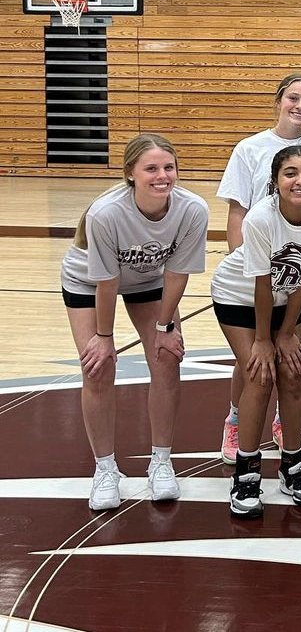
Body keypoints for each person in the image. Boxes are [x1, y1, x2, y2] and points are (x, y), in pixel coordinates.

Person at [61, 134, 209, 510]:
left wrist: (165, 329)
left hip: (149, 279)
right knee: (97, 368)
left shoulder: (192, 210)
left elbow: (177, 274)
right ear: (130, 173)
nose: (163, 176)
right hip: (89, 282)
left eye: (169, 167)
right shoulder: (106, 213)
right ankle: (105, 469)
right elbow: (106, 283)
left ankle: (161, 462)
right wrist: (103, 337)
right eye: (151, 169)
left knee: (167, 359)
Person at [212, 145, 301, 518]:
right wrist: (265, 339)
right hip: (239, 296)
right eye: (290, 173)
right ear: (275, 181)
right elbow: (261, 283)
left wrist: (288, 334)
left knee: (294, 372)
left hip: (288, 299)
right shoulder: (260, 219)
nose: (300, 180)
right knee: (259, 374)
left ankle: (293, 466)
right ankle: (247, 471)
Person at [217, 73, 301, 463]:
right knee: (255, 359)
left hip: (298, 271)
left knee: (291, 357)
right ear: (279, 100)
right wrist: (248, 260)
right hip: (255, 269)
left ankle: (288, 436)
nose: (300, 106)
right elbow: (237, 211)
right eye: (293, 98)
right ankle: (237, 422)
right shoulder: (250, 148)